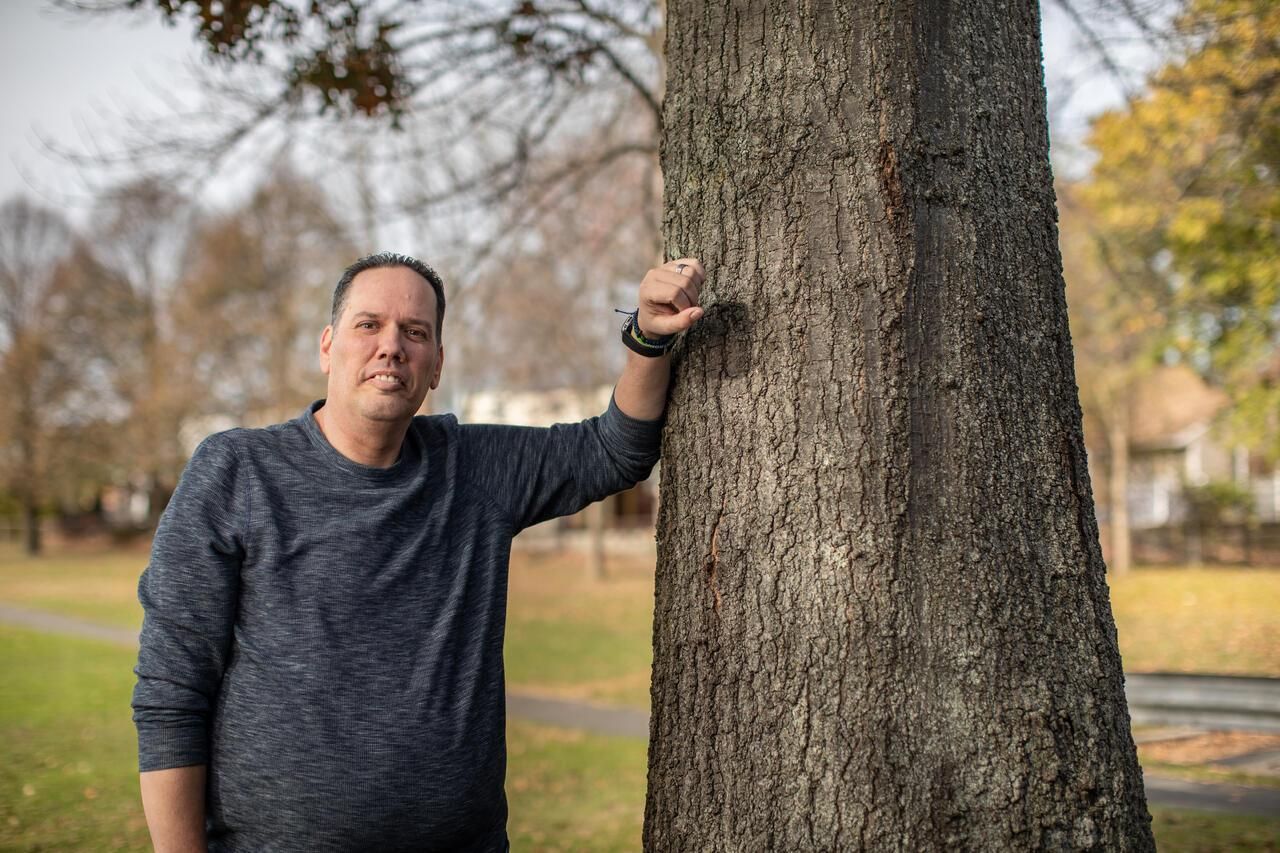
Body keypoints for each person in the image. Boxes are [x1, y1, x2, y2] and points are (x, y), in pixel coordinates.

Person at [132, 251, 705, 852]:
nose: (391, 346)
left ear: (436, 366)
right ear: (327, 346)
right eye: (368, 324)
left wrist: (647, 337)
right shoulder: (236, 473)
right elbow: (172, 692)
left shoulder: (473, 469)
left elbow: (614, 452)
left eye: (415, 332)